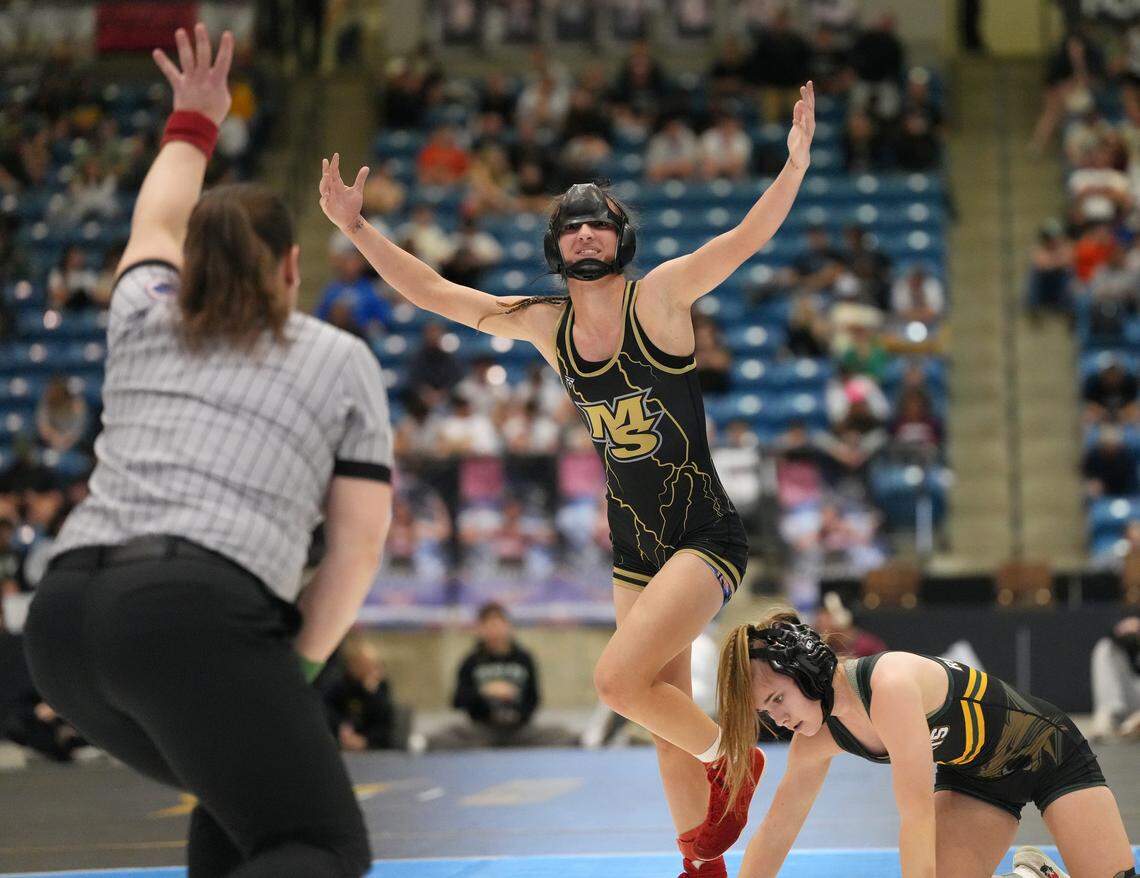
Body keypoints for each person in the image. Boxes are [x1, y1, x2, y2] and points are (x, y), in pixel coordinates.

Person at [320, 80, 817, 878]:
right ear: (557, 244)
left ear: (621, 237)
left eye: (599, 224)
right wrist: (359, 229)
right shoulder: (546, 324)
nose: (586, 234)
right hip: (633, 545)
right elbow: (439, 294)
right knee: (658, 712)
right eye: (573, 226)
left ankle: (738, 758)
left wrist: (792, 166)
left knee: (618, 682)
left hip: (703, 534)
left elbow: (743, 240)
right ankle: (703, 868)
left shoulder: (660, 298)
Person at [22, 25, 393, 878]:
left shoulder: (144, 313)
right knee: (320, 844)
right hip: (191, 612)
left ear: (189, 266)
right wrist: (295, 666)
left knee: (249, 806)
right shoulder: (338, 358)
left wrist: (192, 122)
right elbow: (358, 547)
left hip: (64, 622)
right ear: (293, 266)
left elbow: (154, 217)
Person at [716, 613, 1137, 878]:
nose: (779, 719)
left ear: (807, 672)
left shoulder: (890, 685)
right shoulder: (816, 740)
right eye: (766, 712)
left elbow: (915, 815)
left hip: (1049, 753)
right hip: (977, 780)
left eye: (777, 700)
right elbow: (777, 831)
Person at [423, 601, 576, 750]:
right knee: (440, 737)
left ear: (508, 626)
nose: (495, 631)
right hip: (482, 729)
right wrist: (484, 692)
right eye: (489, 625)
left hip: (519, 730)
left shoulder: (524, 658)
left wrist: (516, 711)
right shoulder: (471, 661)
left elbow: (534, 699)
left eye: (498, 624)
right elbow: (457, 701)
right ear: (480, 629)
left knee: (561, 733)